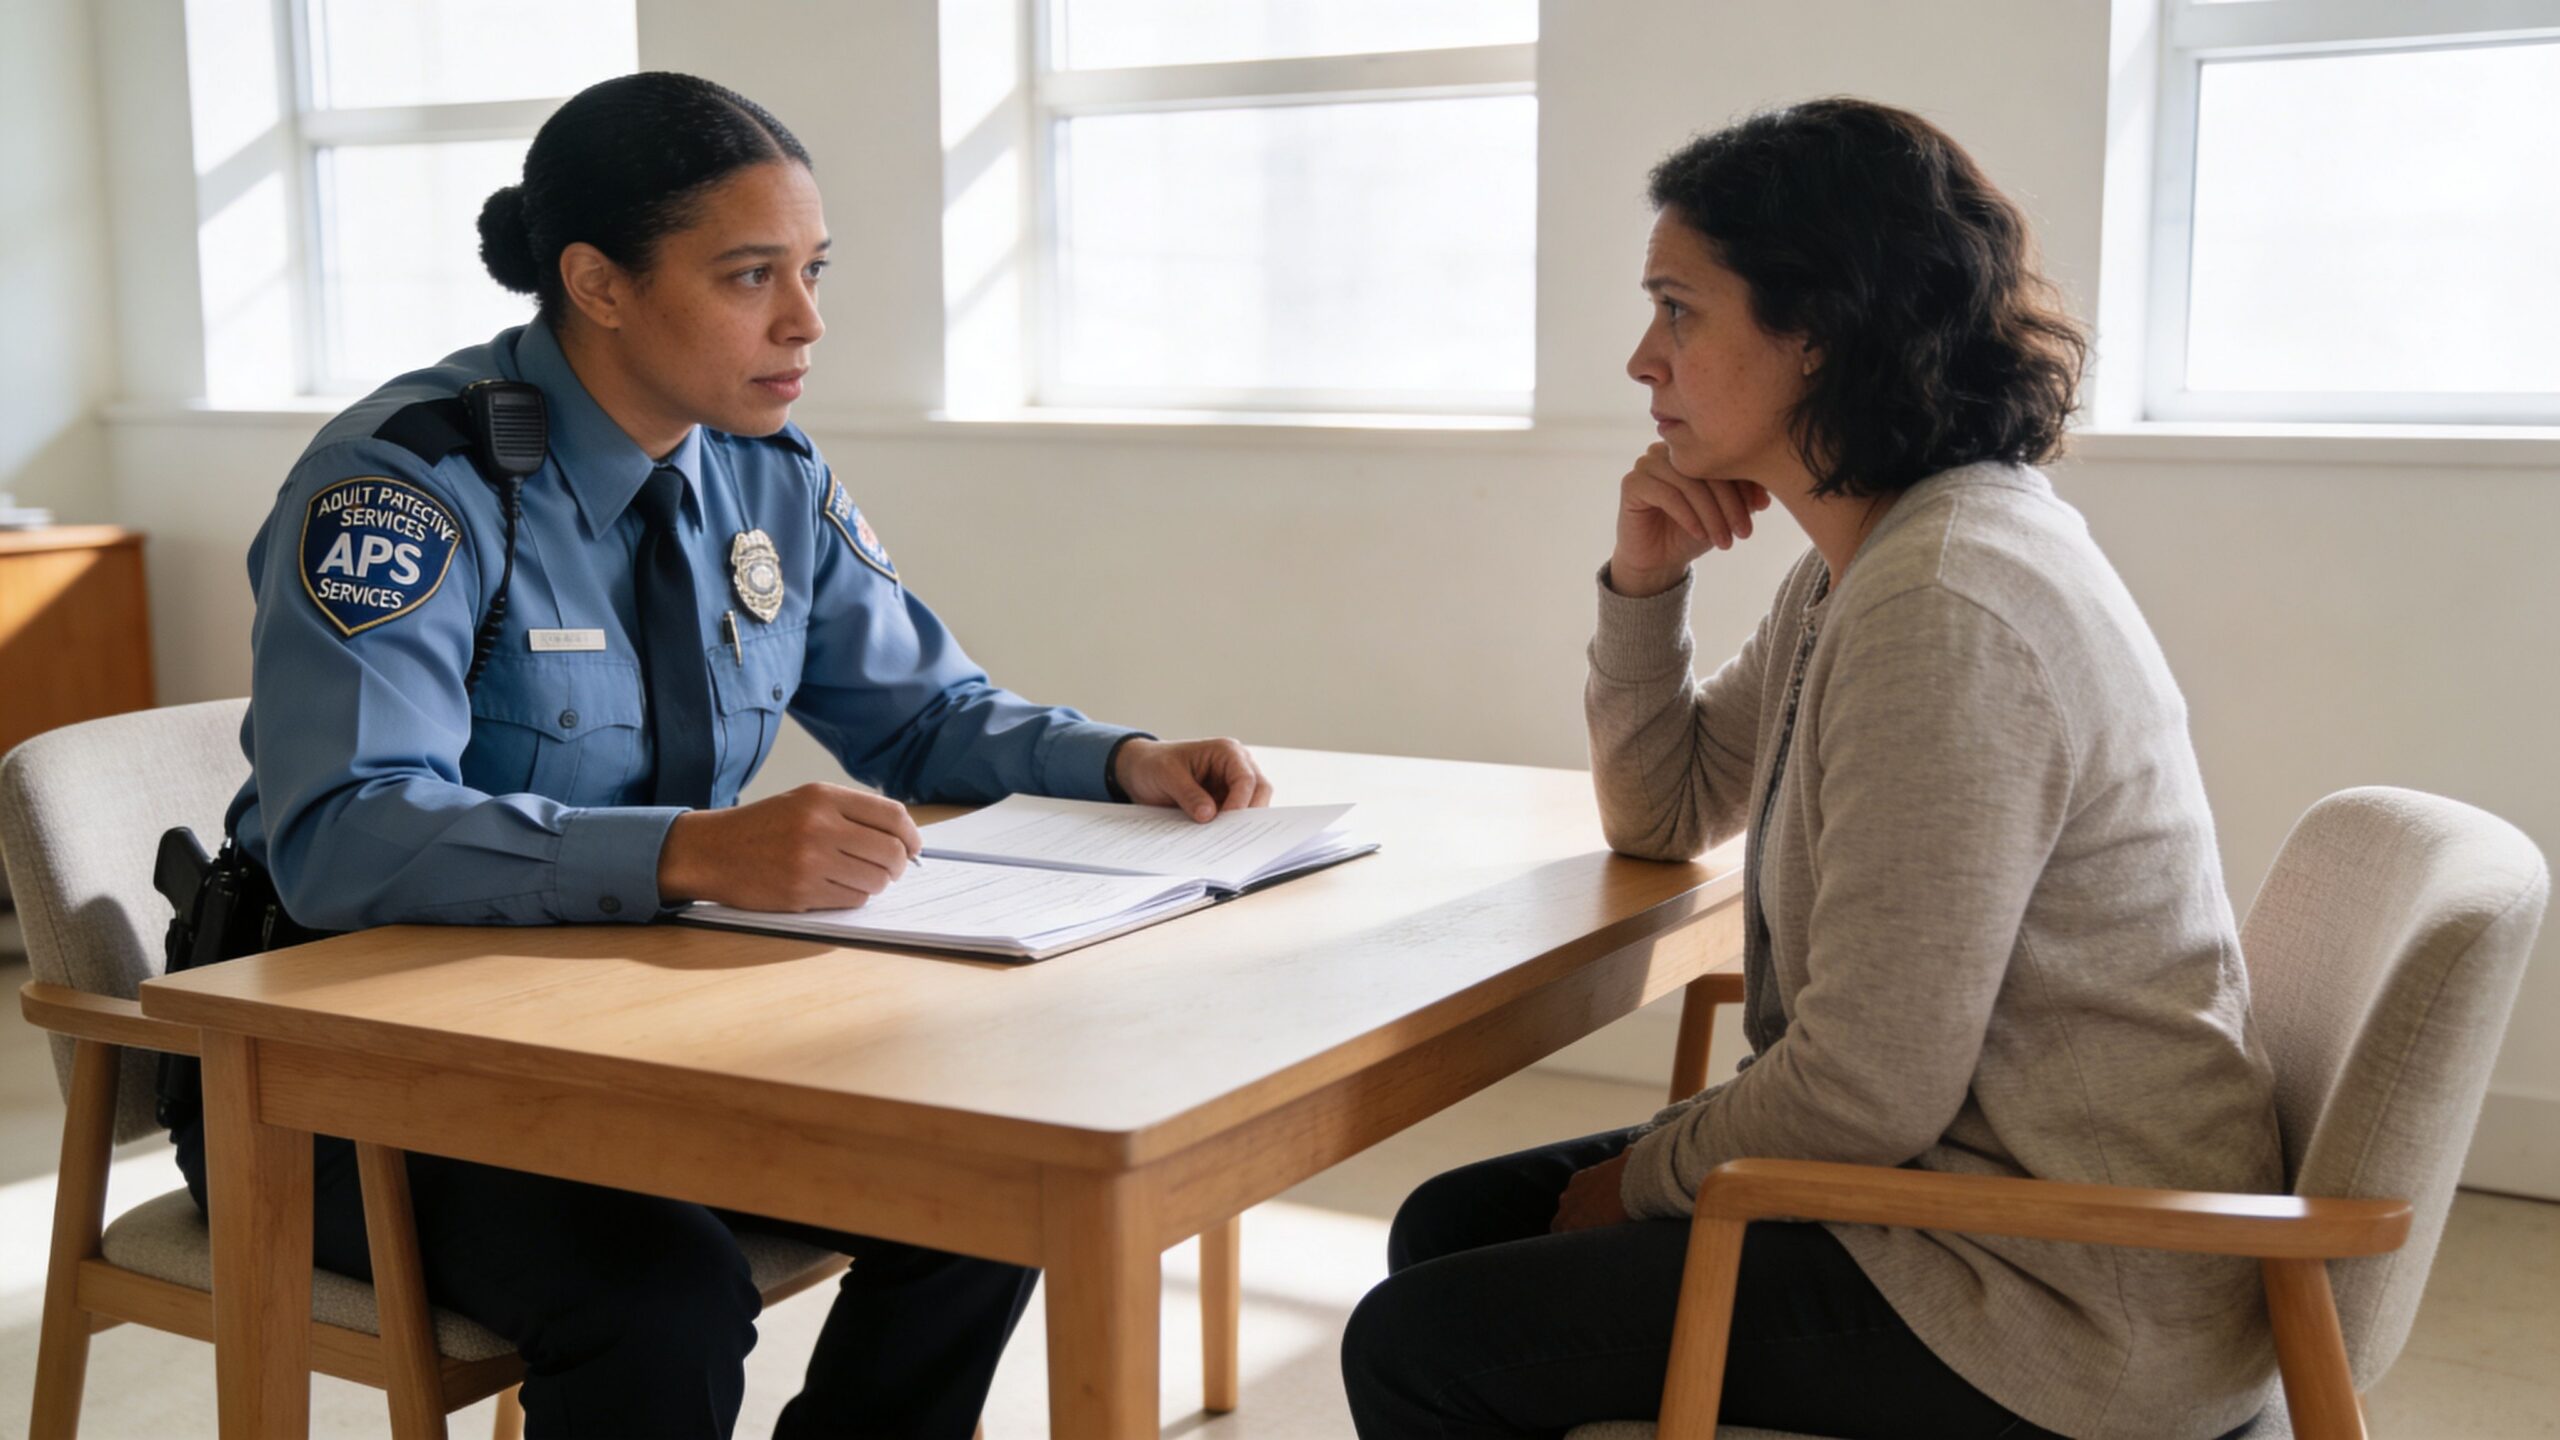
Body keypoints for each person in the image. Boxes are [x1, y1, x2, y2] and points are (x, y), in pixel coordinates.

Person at [175, 71, 1270, 1440]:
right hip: (347, 1070)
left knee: (995, 1178)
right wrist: (694, 852)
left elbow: (920, 714)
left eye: (811, 270)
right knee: (663, 1300)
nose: (806, 321)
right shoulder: (404, 487)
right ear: (599, 283)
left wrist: (1119, 760)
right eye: (752, 276)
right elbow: (345, 834)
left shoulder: (767, 470)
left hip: (633, 1030)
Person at [1340, 99, 2283, 1440]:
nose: (1639, 358)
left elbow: (1865, 1086)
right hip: (1964, 1196)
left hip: (2056, 1288)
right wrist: (1642, 587)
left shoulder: (1946, 603)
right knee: (1457, 1226)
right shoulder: (1873, 562)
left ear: (1821, 332)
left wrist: (1633, 1182)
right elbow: (1666, 814)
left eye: (1680, 311)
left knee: (1423, 1343)